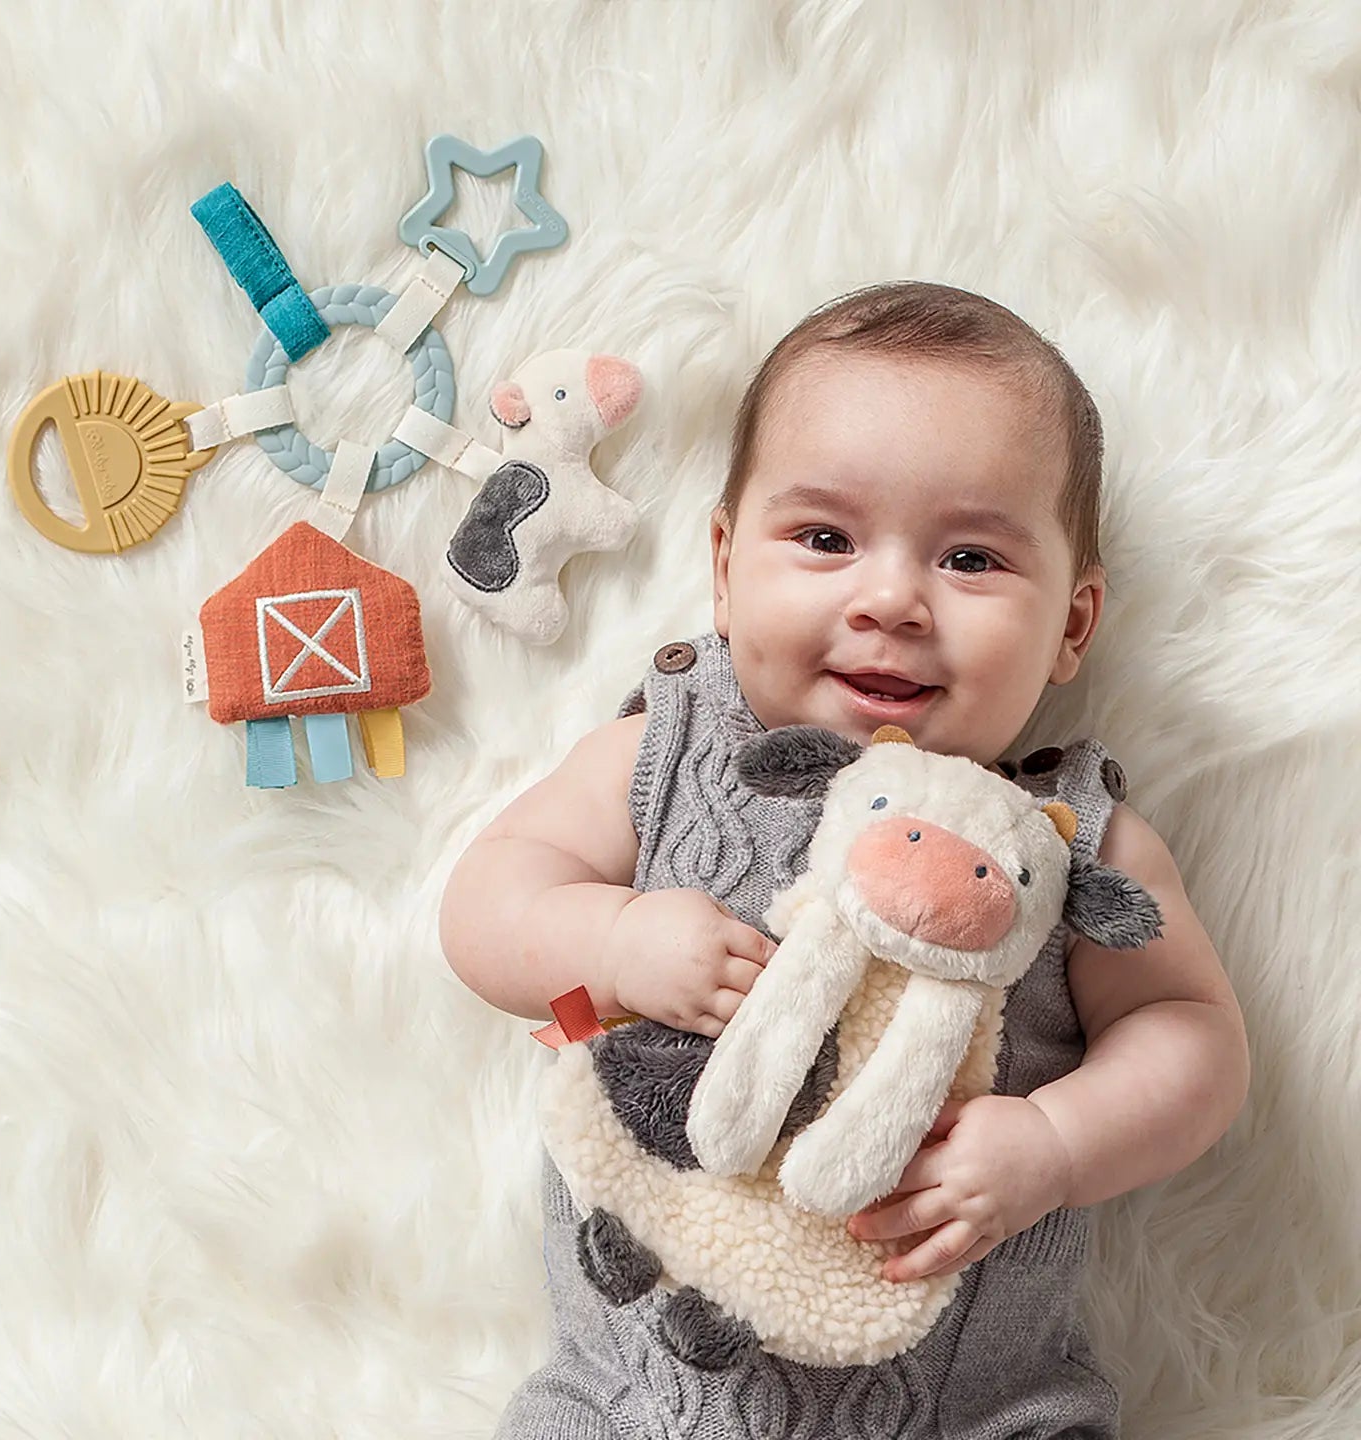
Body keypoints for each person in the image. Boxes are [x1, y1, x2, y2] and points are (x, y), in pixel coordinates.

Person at [439, 281, 1250, 1439]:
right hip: (632, 1401)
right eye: (825, 539)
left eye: (971, 559)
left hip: (978, 1412)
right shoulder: (664, 756)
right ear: (723, 569)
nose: (891, 599)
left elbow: (1195, 1042)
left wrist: (1059, 1143)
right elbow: (487, 899)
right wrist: (610, 941)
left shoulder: (1074, 847)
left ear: (1073, 625)